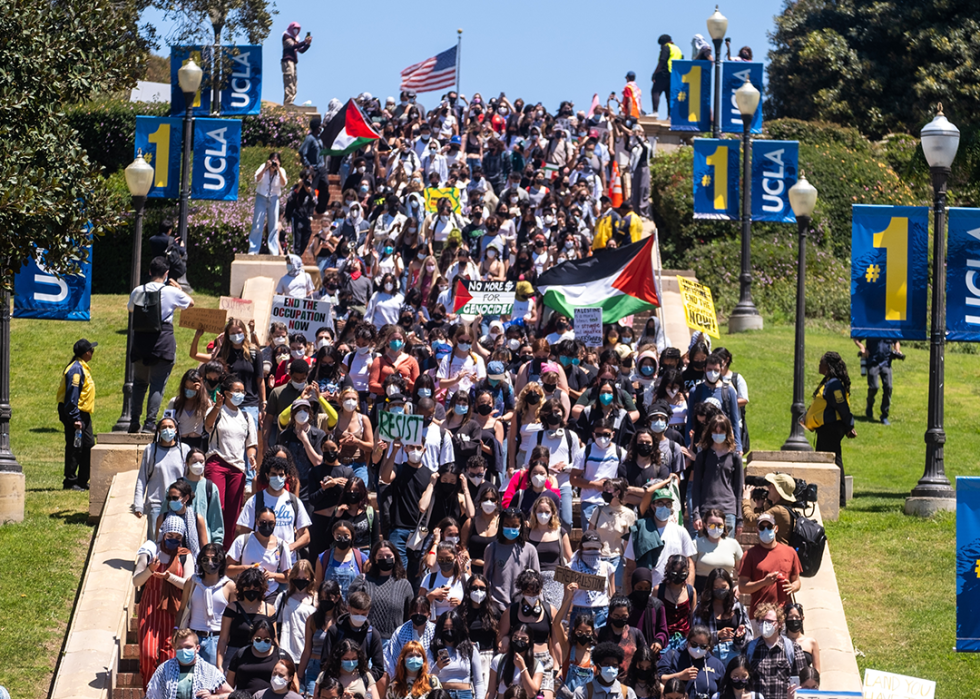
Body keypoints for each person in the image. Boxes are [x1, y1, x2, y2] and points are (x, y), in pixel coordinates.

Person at [128, 256, 194, 433]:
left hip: (141, 341)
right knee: (157, 384)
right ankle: (149, 423)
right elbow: (190, 304)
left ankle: (134, 420)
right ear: (166, 274)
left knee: (139, 383)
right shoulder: (170, 292)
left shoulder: (138, 290)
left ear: (150, 272)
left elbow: (131, 309)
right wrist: (179, 289)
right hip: (162, 341)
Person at [133, 515, 197, 688]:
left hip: (173, 608)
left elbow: (187, 584)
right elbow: (136, 581)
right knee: (147, 655)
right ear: (164, 534)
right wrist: (149, 570)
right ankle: (150, 691)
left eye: (178, 537)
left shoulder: (185, 555)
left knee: (169, 655)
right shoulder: (150, 551)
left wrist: (169, 577)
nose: (174, 540)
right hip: (150, 607)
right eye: (170, 536)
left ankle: (168, 692)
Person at [204, 376, 259, 546]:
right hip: (217, 463)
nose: (240, 394)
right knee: (216, 507)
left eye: (242, 391)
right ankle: (211, 544)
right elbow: (208, 424)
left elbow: (251, 443)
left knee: (233, 513)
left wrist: (251, 456)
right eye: (236, 391)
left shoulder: (246, 416)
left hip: (238, 468)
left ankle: (225, 550)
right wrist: (218, 406)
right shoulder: (216, 411)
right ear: (226, 393)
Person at [803, 351, 856, 508]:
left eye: (821, 363)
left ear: (828, 366)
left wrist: (849, 426)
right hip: (825, 429)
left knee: (833, 462)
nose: (819, 365)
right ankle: (832, 499)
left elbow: (842, 407)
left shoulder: (834, 384)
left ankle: (838, 500)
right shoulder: (828, 381)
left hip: (831, 429)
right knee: (829, 461)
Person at [176, 544, 236, 665]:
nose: (210, 563)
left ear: (221, 562)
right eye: (205, 559)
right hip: (192, 637)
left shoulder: (229, 586)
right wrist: (176, 631)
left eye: (215, 559)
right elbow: (182, 609)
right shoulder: (192, 582)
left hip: (217, 639)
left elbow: (234, 618)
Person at [134, 419, 192, 539]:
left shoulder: (184, 449)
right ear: (159, 431)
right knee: (156, 540)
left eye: (170, 427)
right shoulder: (150, 450)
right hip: (156, 503)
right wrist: (138, 504)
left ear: (176, 430)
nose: (167, 430)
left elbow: (188, 477)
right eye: (164, 427)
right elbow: (142, 478)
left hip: (178, 503)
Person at [737, 513, 802, 621]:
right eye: (762, 527)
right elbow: (742, 587)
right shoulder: (749, 555)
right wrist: (764, 582)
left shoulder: (790, 552)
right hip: (759, 615)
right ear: (757, 530)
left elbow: (797, 581)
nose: (766, 530)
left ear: (776, 528)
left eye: (769, 527)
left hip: (784, 615)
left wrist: (793, 587)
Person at [349, 541, 415, 642]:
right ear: (374, 559)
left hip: (394, 642)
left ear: (395, 558)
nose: (384, 559)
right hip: (365, 639)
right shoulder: (362, 581)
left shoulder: (404, 585)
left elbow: (409, 617)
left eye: (388, 555)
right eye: (380, 556)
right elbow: (349, 608)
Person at [691, 415, 744, 538]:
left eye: (721, 432)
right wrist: (696, 514)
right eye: (715, 431)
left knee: (726, 552)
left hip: (728, 510)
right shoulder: (702, 457)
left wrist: (739, 518)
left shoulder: (735, 458)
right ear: (710, 432)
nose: (718, 434)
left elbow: (739, 490)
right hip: (706, 509)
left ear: (727, 433)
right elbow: (696, 487)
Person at [216, 567, 277, 671]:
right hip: (234, 657)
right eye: (248, 588)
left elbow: (274, 639)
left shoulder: (269, 610)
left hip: (261, 657)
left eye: (255, 588)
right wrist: (219, 664)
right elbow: (223, 639)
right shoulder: (232, 608)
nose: (251, 591)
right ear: (242, 588)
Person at [144, 628, 232, 699]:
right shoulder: (164, 670)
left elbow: (230, 694)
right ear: (175, 648)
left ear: (197, 648)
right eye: (180, 647)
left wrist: (214, 697)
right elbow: (151, 695)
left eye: (188, 647)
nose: (184, 650)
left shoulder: (209, 671)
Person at [483, 507, 541, 614]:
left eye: (515, 526)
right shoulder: (492, 548)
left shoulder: (530, 550)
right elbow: (486, 578)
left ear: (521, 527)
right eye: (507, 525)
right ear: (501, 526)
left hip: (522, 605)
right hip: (497, 605)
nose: (511, 529)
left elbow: (536, 580)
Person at [57, 338, 97, 490]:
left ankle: (81, 481)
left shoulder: (82, 367)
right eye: (91, 350)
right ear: (86, 353)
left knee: (87, 445)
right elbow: (72, 395)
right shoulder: (76, 370)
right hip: (74, 412)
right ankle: (70, 481)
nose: (93, 353)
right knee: (76, 447)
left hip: (82, 413)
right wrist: (75, 418)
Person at [744, 604, 808, 699]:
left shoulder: (793, 649)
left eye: (770, 621)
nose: (765, 624)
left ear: (780, 623)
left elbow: (803, 682)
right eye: (762, 621)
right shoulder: (750, 648)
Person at [692, 567, 750, 667]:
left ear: (730, 586)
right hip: (709, 654)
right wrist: (716, 635)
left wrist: (739, 637)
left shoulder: (738, 608)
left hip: (734, 655)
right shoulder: (701, 608)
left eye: (723, 587)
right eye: (716, 588)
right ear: (710, 588)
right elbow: (694, 635)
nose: (720, 591)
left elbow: (749, 636)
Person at [298, 580, 345, 694]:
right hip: (314, 667)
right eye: (322, 598)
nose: (325, 601)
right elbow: (307, 650)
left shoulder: (343, 621)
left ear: (337, 598)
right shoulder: (312, 620)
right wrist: (298, 678)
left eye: (328, 598)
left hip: (337, 669)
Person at [427, 610, 486, 699]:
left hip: (465, 694)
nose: (449, 631)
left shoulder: (470, 649)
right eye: (445, 628)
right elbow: (428, 678)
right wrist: (437, 667)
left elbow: (478, 681)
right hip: (442, 695)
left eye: (452, 628)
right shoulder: (433, 649)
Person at [657, 625, 726, 698]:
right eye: (694, 644)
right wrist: (680, 676)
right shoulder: (673, 656)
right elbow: (658, 680)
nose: (698, 649)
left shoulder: (716, 664)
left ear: (708, 646)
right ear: (688, 641)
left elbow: (723, 689)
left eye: (703, 646)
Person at [227, 619, 292, 694]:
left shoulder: (281, 656)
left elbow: (293, 685)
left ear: (272, 639)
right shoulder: (241, 654)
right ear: (252, 638)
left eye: (267, 640)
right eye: (258, 639)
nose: (262, 642)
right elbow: (229, 686)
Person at [567, 531, 615, 628]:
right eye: (588, 548)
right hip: (579, 613)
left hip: (602, 614)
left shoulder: (608, 567)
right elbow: (566, 597)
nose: (592, 551)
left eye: (595, 548)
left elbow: (612, 594)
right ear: (581, 548)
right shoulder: (571, 567)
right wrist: (564, 620)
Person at [277, 560, 318, 666]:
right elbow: (275, 623)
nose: (301, 581)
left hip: (308, 653)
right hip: (286, 651)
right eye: (298, 578)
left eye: (305, 579)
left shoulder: (316, 599)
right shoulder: (283, 597)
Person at [853, 337, 902, 425]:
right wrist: (862, 348)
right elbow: (856, 338)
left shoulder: (888, 328)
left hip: (886, 363)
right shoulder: (872, 328)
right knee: (874, 387)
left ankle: (884, 415)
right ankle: (870, 403)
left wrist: (897, 350)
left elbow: (896, 341)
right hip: (873, 362)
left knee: (888, 387)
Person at [183, 449, 225, 549]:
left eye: (201, 462)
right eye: (194, 462)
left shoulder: (210, 487)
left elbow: (215, 518)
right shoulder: (178, 486)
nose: (198, 464)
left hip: (204, 543)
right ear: (187, 463)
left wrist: (217, 544)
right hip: (182, 541)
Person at [486, 625, 543, 699]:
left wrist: (522, 667)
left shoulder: (537, 665)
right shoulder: (499, 660)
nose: (519, 640)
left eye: (523, 639)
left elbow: (532, 692)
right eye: (515, 637)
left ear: (529, 642)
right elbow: (491, 691)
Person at [596, 596, 647, 678]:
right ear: (610, 614)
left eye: (624, 616)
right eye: (616, 616)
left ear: (629, 614)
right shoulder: (599, 633)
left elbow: (644, 657)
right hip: (604, 680)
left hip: (629, 681)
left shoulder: (636, 633)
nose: (620, 619)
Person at [249, 152, 288, 255]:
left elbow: (283, 184)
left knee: (273, 226)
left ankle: (274, 251)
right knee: (257, 224)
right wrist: (265, 168)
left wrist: (278, 169)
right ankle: (253, 250)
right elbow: (257, 178)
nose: (274, 162)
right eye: (272, 160)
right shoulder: (263, 167)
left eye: (277, 160)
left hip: (274, 198)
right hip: (261, 196)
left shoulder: (281, 171)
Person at [570, 642, 637, 699]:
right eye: (607, 665)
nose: (611, 669)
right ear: (598, 666)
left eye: (614, 665)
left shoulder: (627, 693)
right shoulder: (583, 693)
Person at [783, 602, 820, 672]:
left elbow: (816, 670)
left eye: (797, 617)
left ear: (802, 618)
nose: (794, 619)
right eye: (790, 617)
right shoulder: (780, 641)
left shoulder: (811, 642)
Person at [651, 35, 682, 115]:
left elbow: (662, 60)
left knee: (655, 91)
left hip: (664, 73)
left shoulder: (666, 47)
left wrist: (655, 73)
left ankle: (655, 112)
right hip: (674, 76)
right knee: (669, 96)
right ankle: (670, 115)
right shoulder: (678, 49)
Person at [281, 22, 311, 106]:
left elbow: (300, 50)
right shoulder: (286, 36)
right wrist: (304, 42)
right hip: (287, 61)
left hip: (293, 62)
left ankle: (291, 101)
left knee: (294, 82)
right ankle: (288, 102)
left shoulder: (295, 39)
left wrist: (307, 44)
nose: (296, 31)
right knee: (289, 80)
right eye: (295, 29)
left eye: (298, 29)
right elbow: (292, 46)